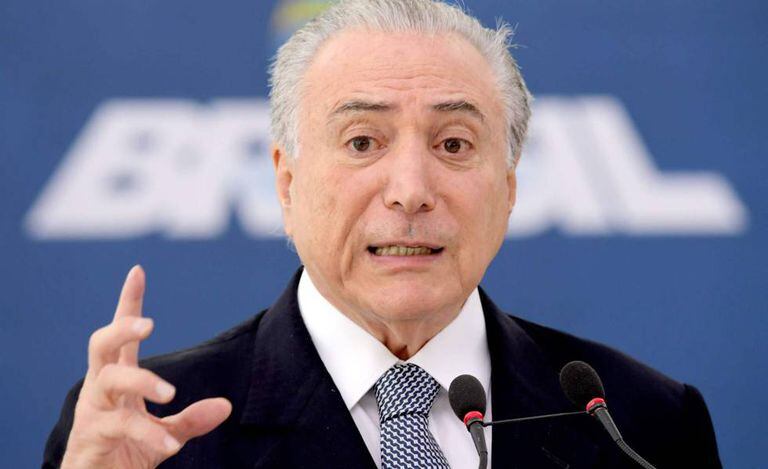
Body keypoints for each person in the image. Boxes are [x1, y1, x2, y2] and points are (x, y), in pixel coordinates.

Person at [43, 0, 722, 467]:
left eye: (454, 144)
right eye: (363, 141)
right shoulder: (155, 431)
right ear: (286, 182)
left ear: (510, 187)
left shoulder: (642, 421)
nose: (410, 190)